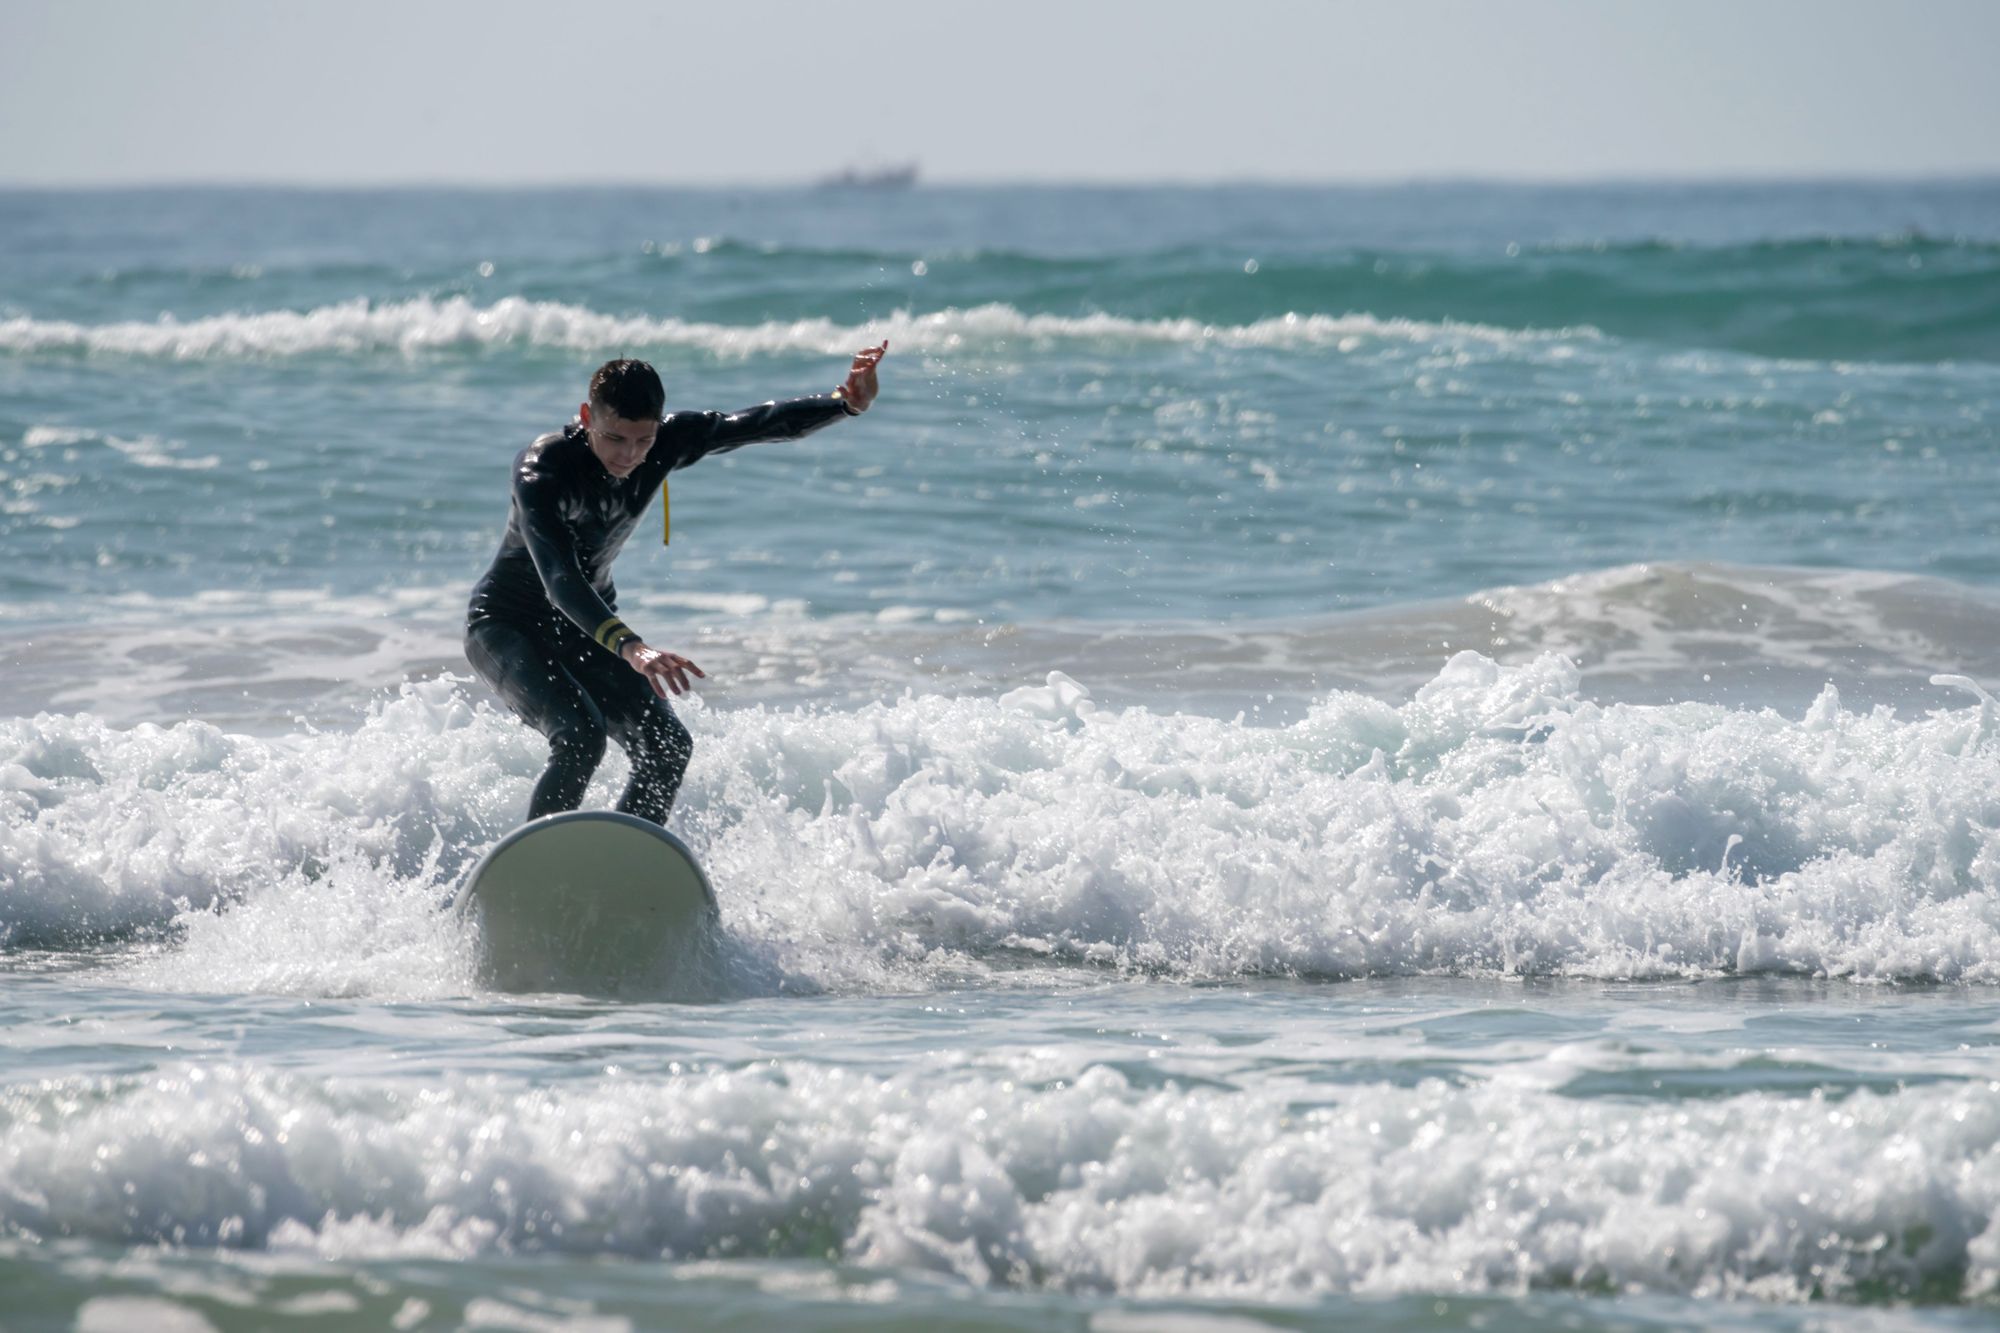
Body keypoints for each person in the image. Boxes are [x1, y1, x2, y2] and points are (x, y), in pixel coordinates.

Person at [465, 342, 888, 826]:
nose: (629, 455)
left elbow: (756, 423)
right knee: (580, 736)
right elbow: (560, 578)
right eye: (615, 439)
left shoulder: (666, 442)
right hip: (507, 624)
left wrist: (846, 403)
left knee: (666, 746)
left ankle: (624, 862)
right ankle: (531, 867)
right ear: (586, 417)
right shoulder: (544, 470)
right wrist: (632, 647)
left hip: (586, 626)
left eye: (642, 441)